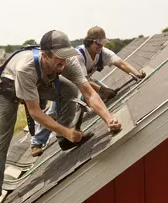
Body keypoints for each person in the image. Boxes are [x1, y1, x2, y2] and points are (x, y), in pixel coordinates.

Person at [0, 30, 122, 203]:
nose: (64, 63)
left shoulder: (66, 62)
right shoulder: (26, 68)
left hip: (40, 81)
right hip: (10, 88)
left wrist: (109, 119)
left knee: (70, 90)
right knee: (1, 141)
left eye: (66, 57)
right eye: (59, 58)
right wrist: (69, 130)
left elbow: (89, 93)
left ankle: (63, 139)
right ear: (45, 55)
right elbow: (35, 112)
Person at [30, 26, 145, 157]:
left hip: (85, 83)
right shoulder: (78, 55)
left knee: (102, 96)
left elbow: (121, 63)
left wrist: (136, 73)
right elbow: (83, 83)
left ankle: (94, 114)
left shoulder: (103, 53)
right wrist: (102, 89)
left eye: (103, 43)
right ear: (89, 42)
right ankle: (37, 142)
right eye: (98, 43)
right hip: (67, 84)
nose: (101, 46)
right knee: (55, 111)